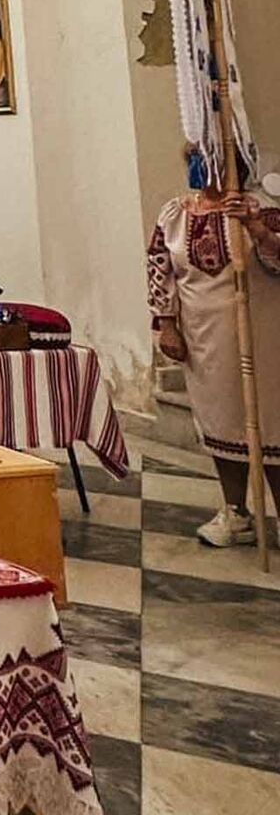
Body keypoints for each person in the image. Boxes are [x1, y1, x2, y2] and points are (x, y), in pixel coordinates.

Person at [148, 154, 280, 547]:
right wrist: (167, 323)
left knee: (271, 422)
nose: (199, 167)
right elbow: (159, 268)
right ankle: (236, 511)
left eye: (208, 159)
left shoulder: (262, 208)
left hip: (263, 331)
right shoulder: (175, 213)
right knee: (221, 421)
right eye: (193, 159)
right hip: (204, 337)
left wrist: (256, 228)